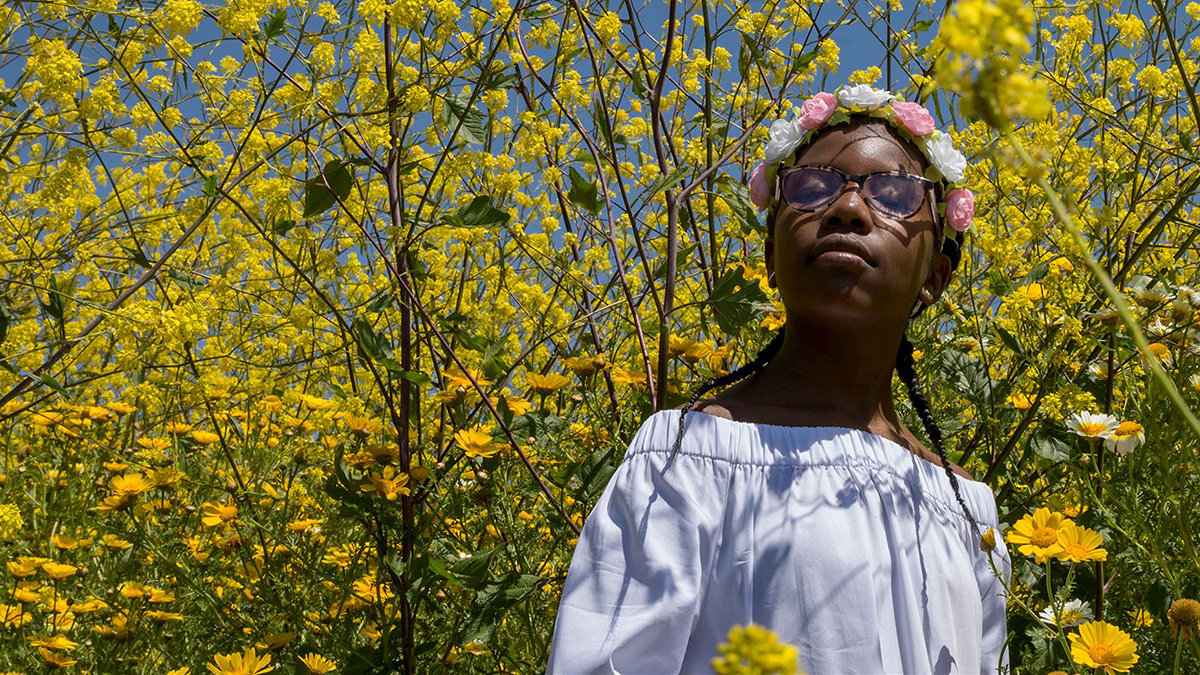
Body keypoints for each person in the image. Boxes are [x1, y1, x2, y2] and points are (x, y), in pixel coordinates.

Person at [546, 83, 1012, 675]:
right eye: (812, 188)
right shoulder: (687, 460)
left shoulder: (967, 509)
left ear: (936, 277)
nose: (847, 208)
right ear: (769, 254)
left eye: (894, 193)